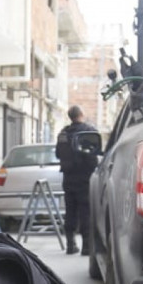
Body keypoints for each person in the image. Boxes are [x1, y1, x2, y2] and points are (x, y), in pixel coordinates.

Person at [54, 106, 98, 256]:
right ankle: (86, 246)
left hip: (68, 178)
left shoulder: (63, 134)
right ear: (81, 114)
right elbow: (94, 155)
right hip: (85, 178)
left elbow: (58, 154)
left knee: (70, 210)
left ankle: (70, 245)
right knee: (85, 212)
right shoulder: (89, 131)